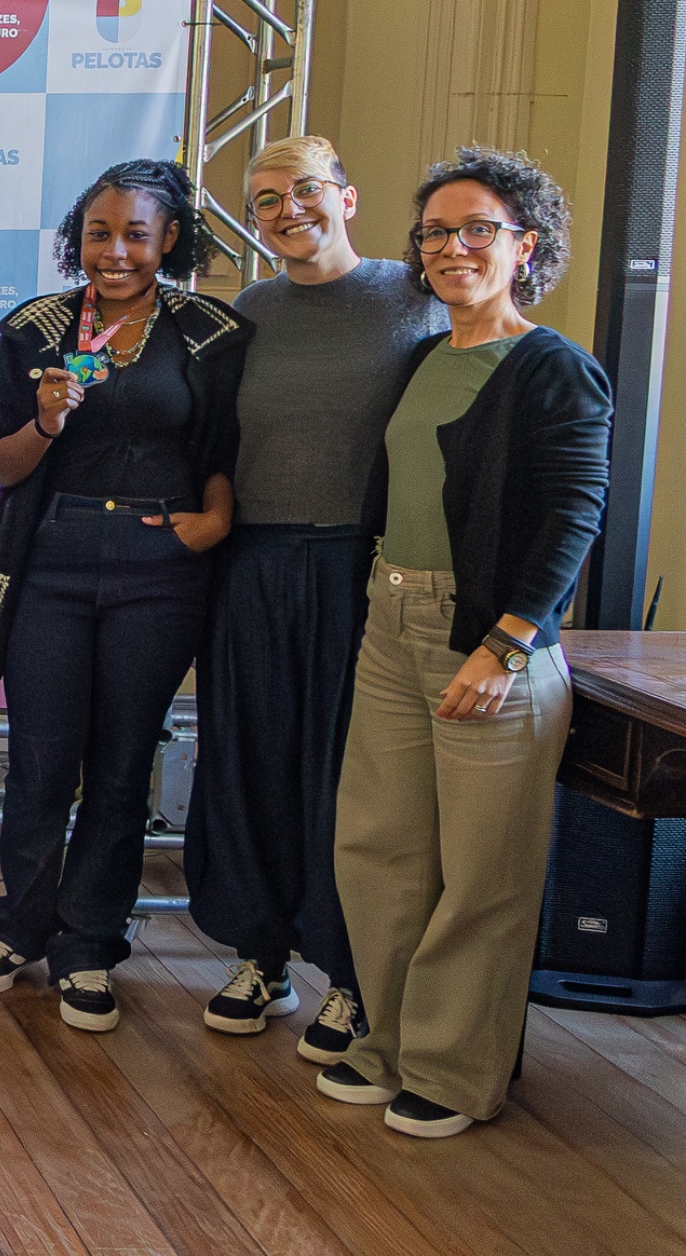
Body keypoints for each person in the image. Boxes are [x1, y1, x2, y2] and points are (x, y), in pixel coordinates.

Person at [314, 147, 609, 1140]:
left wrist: (507, 643)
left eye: (478, 228)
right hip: (389, 622)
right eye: (435, 232)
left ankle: (452, 1071)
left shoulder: (552, 367)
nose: (452, 247)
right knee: (381, 849)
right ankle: (391, 1044)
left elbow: (575, 512)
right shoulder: (423, 358)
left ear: (525, 245)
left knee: (483, 873)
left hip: (488, 636)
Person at [0, 159, 252, 1033]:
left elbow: (224, 448)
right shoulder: (34, 331)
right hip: (53, 561)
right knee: (40, 759)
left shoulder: (210, 333)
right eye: (98, 234)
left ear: (170, 240)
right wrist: (46, 421)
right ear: (75, 240)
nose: (115, 252)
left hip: (159, 569)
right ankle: (18, 926)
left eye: (135, 236)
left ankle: (89, 945)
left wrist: (213, 522)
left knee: (120, 768)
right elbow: (0, 465)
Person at [188, 135, 444, 1058]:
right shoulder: (250, 310)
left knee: (348, 775)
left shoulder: (415, 296)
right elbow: (215, 439)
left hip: (358, 563)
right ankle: (261, 956)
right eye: (265, 200)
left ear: (347, 196)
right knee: (249, 759)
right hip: (253, 561)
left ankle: (352, 975)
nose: (287, 210)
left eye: (304, 191)